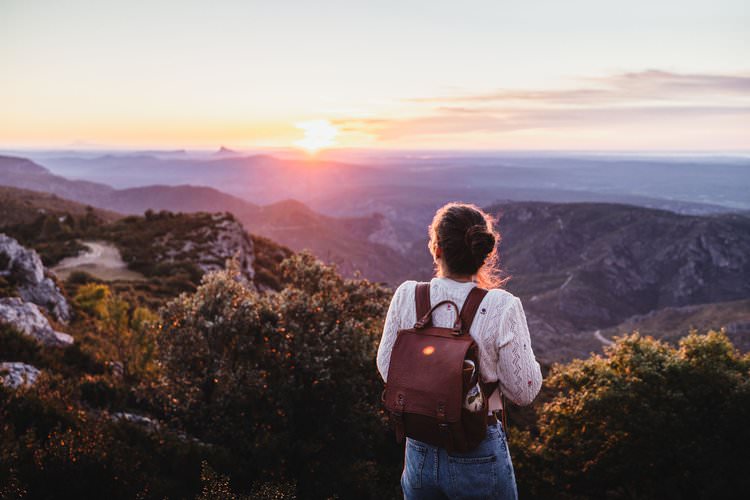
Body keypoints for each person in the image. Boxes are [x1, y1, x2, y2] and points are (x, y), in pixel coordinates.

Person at [377, 202, 543, 500]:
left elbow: (387, 367)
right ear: (485, 253)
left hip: (419, 447)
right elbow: (524, 392)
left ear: (436, 248)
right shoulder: (501, 305)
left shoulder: (407, 295)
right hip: (477, 446)